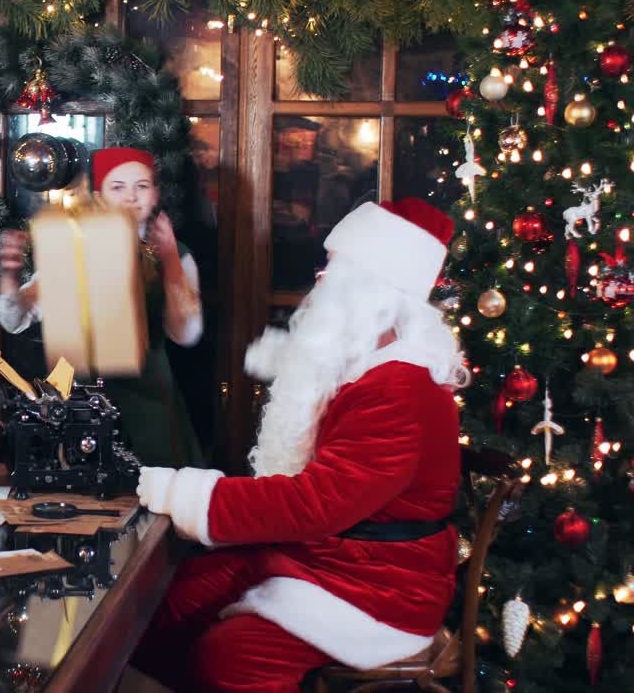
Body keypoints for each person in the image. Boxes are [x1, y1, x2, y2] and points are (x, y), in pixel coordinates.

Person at [130, 198, 468, 692]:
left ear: (370, 291)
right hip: (331, 559)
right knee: (159, 606)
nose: (321, 282)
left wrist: (180, 493)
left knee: (229, 658)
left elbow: (315, 503)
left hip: (377, 587)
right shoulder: (367, 368)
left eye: (333, 270)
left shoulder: (400, 389)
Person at [0, 147, 205, 467]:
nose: (131, 196)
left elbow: (187, 335)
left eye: (142, 186)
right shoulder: (73, 249)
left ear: (155, 194)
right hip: (82, 408)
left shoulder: (178, 254)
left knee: (157, 492)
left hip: (151, 411)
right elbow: (15, 319)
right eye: (117, 187)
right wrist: (10, 275)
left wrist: (171, 261)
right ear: (99, 196)